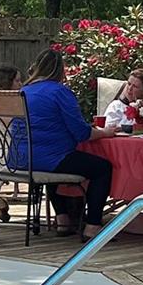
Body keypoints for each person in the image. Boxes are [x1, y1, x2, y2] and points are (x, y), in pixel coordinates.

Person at [13, 48, 113, 238]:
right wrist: (105, 132)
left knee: (56, 164)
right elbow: (82, 133)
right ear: (60, 70)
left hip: (19, 159)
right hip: (50, 159)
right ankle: (92, 225)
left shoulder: (22, 91)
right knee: (102, 168)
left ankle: (63, 219)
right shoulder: (60, 92)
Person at [102, 69, 143, 135]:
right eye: (129, 84)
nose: (130, 88)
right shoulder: (116, 106)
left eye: (135, 86)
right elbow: (109, 128)